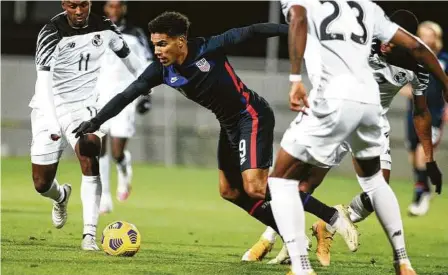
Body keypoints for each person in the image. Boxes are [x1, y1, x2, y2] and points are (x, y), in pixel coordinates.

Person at [73, 11, 357, 248]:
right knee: (230, 192)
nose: (157, 51)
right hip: (229, 124)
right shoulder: (160, 70)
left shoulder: (209, 47)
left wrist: (296, 30)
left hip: (251, 115)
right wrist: (96, 122)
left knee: (256, 188)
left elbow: (254, 30)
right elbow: (127, 94)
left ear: (181, 41)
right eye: (155, 44)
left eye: (162, 44)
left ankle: (331, 216)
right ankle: (290, 237)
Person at [268, 0, 447, 274]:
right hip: (356, 109)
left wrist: (430, 158)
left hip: (358, 111)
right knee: (307, 184)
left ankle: (324, 230)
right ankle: (271, 237)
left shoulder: (413, 64)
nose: (387, 44)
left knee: (284, 180)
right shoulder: (370, 28)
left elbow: (421, 111)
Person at [30, 0, 144, 250]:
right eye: (72, 6)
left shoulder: (105, 27)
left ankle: (89, 236)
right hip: (49, 104)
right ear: (64, 5)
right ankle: (60, 196)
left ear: (90, 4)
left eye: (83, 5)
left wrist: (152, 81)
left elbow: (132, 60)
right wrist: (50, 123)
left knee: (91, 148)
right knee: (41, 184)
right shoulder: (51, 33)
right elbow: (43, 83)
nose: (79, 11)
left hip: (83, 106)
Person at [97, 0, 153, 214]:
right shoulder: (96, 33)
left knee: (116, 151)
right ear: (105, 9)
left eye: (117, 6)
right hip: (99, 99)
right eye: (110, 6)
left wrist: (147, 96)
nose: (114, 10)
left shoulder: (134, 34)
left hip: (125, 99)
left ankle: (123, 167)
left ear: (123, 9)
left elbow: (147, 64)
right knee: (99, 149)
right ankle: (104, 196)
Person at [405, 21, 448, 216]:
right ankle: (425, 189)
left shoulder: (444, 59)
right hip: (413, 114)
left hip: (434, 114)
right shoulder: (411, 59)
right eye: (420, 33)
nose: (424, 37)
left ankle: (419, 197)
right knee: (414, 157)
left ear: (436, 37)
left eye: (428, 33)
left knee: (423, 152)